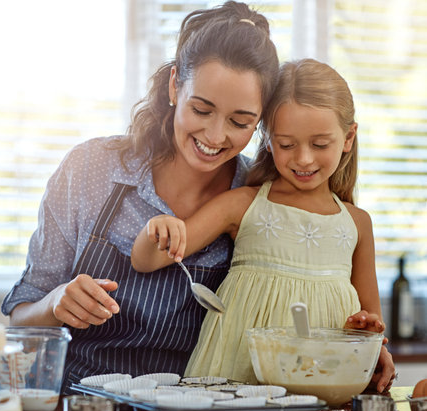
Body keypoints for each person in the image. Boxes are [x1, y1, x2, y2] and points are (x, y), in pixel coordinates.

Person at [1, 1, 280, 394]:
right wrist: (55, 303)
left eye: (240, 122)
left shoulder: (259, 195)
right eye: (201, 109)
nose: (216, 137)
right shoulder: (90, 168)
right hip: (81, 409)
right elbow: (21, 321)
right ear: (173, 86)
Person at [131, 58, 395, 393]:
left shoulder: (358, 223)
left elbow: (372, 325)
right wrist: (158, 229)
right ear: (267, 139)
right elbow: (146, 260)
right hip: (235, 376)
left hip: (325, 382)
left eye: (319, 144)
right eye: (287, 144)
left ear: (348, 137)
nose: (303, 159)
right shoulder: (243, 204)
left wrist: (369, 333)